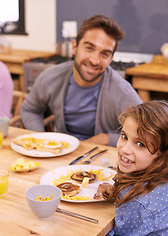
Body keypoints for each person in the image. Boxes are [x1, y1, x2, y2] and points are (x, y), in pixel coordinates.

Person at [20, 15, 142, 147]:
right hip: (62, 153)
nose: (94, 60)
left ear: (111, 59)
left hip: (101, 157)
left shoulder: (122, 92)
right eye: (89, 48)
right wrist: (41, 137)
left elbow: (144, 132)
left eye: (104, 54)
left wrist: (105, 139)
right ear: (74, 46)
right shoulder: (50, 77)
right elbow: (29, 110)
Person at [98, 100, 168, 236]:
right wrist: (117, 191)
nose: (125, 149)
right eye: (124, 136)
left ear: (163, 154)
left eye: (140, 144)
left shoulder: (138, 204)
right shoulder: (165, 175)